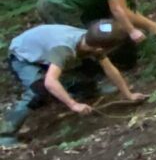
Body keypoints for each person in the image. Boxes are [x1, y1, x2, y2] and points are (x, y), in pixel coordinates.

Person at [1, 20, 146, 147]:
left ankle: (86, 92)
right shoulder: (64, 49)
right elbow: (50, 82)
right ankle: (5, 134)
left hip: (47, 51)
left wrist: (128, 94)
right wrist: (73, 105)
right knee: (38, 92)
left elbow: (110, 69)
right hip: (23, 56)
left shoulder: (91, 40)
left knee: (86, 70)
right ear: (102, 48)